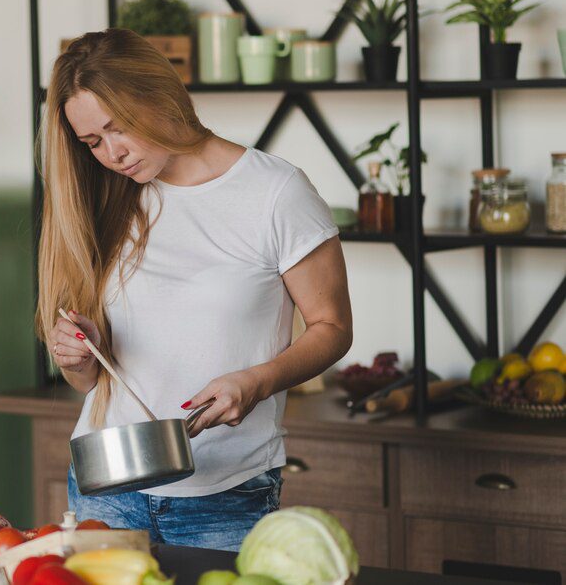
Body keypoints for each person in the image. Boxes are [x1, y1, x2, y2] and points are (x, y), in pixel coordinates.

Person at [35, 28, 352, 551]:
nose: (111, 153)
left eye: (118, 128)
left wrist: (255, 382)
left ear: (159, 94)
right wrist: (76, 353)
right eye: (92, 142)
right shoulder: (109, 199)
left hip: (226, 494)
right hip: (106, 491)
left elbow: (333, 328)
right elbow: (86, 383)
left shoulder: (275, 192)